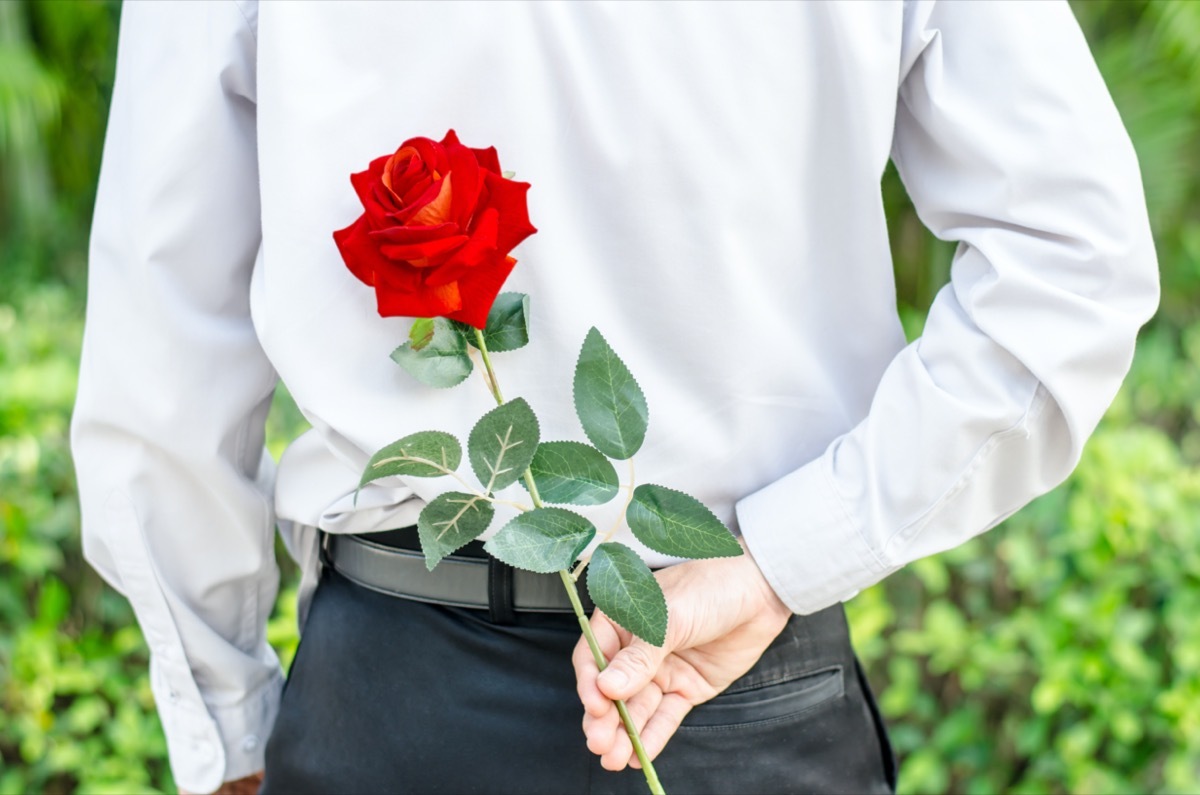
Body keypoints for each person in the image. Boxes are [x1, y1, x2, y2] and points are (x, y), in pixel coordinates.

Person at [72, 2, 1158, 793]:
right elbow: (1076, 264)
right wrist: (796, 550)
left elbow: (160, 357)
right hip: (753, 685)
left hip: (395, 700)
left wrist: (228, 734)